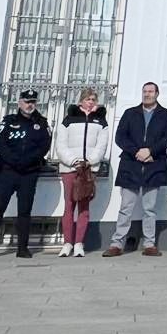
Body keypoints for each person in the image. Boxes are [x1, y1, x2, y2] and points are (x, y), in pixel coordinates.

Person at [105, 82, 167, 257]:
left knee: (149, 208)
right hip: (131, 164)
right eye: (145, 91)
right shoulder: (130, 113)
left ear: (157, 93)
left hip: (154, 165)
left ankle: (149, 244)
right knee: (125, 207)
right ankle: (116, 244)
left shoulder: (165, 114)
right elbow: (120, 136)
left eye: (151, 91)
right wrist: (136, 151)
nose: (147, 94)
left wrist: (151, 151)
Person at [0, 89, 52, 259]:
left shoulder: (42, 123)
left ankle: (22, 248)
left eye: (33, 102)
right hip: (8, 171)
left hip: (29, 172)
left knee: (24, 211)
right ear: (19, 102)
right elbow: (0, 144)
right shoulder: (8, 121)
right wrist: (14, 161)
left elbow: (44, 146)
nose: (30, 105)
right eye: (27, 101)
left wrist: (27, 161)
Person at [54, 86, 110, 257]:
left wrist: (90, 161)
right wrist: (73, 161)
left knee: (84, 206)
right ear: (81, 101)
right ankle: (67, 243)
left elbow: (102, 145)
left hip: (88, 169)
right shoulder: (69, 119)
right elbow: (60, 144)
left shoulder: (101, 122)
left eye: (93, 99)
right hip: (70, 168)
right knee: (69, 205)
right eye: (87, 99)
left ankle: (79, 243)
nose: (90, 102)